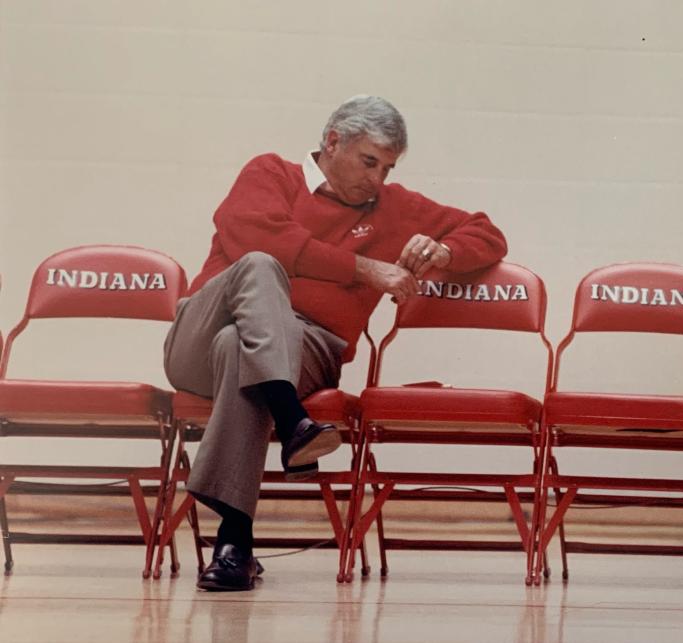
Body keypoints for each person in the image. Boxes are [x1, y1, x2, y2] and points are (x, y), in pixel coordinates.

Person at [163, 95, 507, 591]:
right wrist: (365, 269)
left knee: (243, 348)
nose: (378, 179)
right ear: (332, 141)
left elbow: (488, 233)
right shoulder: (271, 174)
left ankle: (235, 543)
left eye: (388, 167)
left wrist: (445, 250)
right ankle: (291, 420)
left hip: (303, 347)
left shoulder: (396, 206)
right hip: (197, 338)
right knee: (260, 266)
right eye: (369, 162)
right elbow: (263, 240)